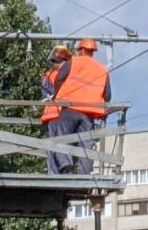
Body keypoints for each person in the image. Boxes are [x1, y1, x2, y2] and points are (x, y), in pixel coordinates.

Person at [51, 37, 111, 174]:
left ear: (81, 49)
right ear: (93, 51)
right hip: (88, 113)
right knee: (86, 142)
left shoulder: (73, 62)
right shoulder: (102, 69)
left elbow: (59, 78)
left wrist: (56, 95)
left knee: (63, 136)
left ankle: (66, 165)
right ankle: (84, 171)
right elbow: (107, 94)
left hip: (69, 108)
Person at [40, 44, 71, 174]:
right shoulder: (67, 75)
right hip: (61, 113)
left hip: (51, 114)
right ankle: (65, 165)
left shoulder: (47, 76)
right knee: (64, 142)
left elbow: (45, 96)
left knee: (52, 144)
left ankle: (53, 173)